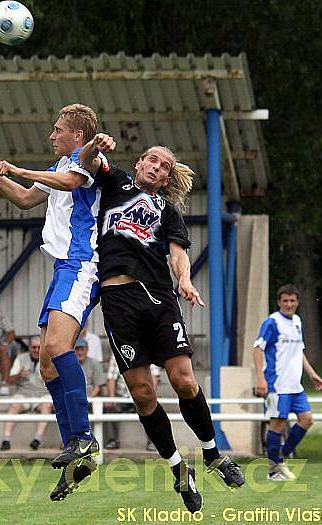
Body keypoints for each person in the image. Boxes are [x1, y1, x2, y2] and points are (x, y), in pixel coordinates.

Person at [79, 136, 245, 512]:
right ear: (138, 164)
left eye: (164, 166)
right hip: (118, 300)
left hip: (158, 296)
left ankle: (213, 454)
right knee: (141, 393)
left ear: (166, 179)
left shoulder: (167, 211)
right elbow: (89, 160)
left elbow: (178, 254)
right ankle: (177, 469)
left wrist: (184, 280)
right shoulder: (116, 182)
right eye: (152, 160)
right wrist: (95, 143)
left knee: (184, 380)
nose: (156, 167)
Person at [0, 104, 102, 500]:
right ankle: (78, 454)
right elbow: (27, 200)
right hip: (62, 268)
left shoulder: (89, 160)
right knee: (46, 365)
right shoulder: (60, 163)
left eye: (58, 129)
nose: (51, 134)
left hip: (82, 263)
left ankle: (83, 438)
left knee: (60, 348)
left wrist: (18, 168)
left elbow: (69, 183)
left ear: (77, 135)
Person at [253, 284, 322, 481]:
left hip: (295, 386)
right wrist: (260, 378)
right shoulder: (272, 322)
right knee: (277, 425)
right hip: (277, 385)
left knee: (307, 419)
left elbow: (298, 351)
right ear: (279, 302)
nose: (289, 304)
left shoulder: (297, 322)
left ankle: (280, 458)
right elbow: (257, 348)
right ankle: (273, 471)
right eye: (285, 300)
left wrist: (312, 374)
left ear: (297, 302)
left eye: (292, 300)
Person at [0, 336, 53, 451]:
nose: (36, 350)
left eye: (39, 347)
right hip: (24, 393)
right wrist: (19, 375)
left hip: (43, 393)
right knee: (14, 404)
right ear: (29, 348)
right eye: (34, 347)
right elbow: (9, 381)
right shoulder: (21, 358)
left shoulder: (49, 359)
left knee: (47, 405)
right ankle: (6, 439)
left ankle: (37, 439)